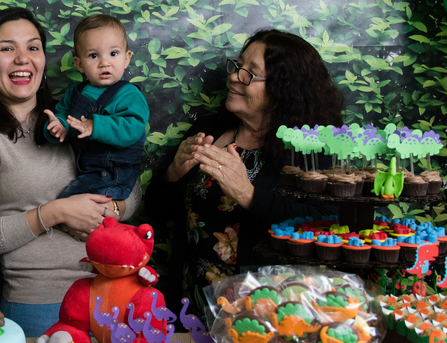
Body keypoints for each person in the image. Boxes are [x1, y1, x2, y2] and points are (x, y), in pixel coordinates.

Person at [0, 7, 143, 338]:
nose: (22, 59)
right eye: (7, 48)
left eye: (33, 47)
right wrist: (56, 213)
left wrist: (109, 211)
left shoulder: (75, 115)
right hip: (41, 306)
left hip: (111, 296)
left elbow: (132, 186)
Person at [145, 29, 344, 311]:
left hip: (266, 310)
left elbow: (325, 222)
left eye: (250, 73)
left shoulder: (309, 150)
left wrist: (249, 194)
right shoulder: (209, 131)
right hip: (193, 302)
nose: (234, 76)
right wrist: (172, 175)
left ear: (281, 91)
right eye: (237, 66)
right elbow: (157, 211)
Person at [43, 13, 149, 200]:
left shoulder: (130, 95)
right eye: (93, 55)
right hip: (84, 171)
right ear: (79, 64)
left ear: (127, 58)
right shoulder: (76, 93)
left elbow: (132, 128)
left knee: (71, 202)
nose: (104, 62)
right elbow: (65, 116)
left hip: (114, 174)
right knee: (64, 201)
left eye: (113, 53)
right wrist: (60, 127)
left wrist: (95, 126)